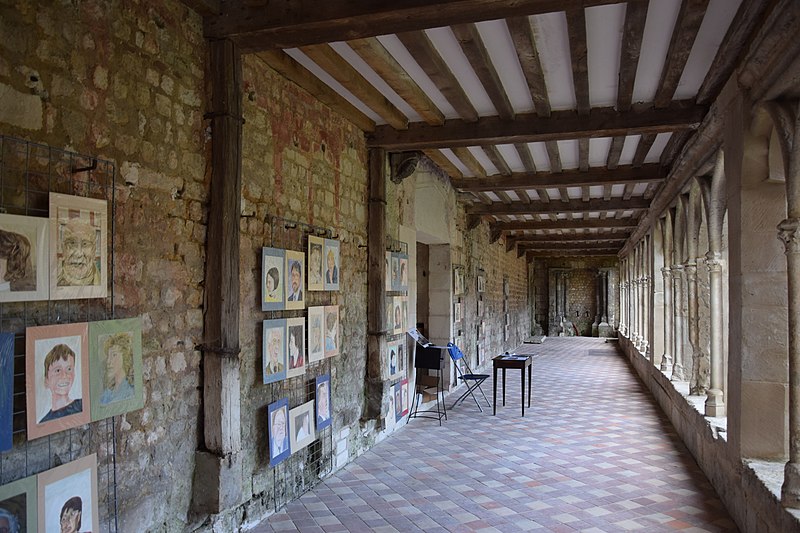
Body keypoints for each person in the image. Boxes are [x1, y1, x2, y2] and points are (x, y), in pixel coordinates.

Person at [39, 344, 82, 423]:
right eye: (58, 370)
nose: (64, 376)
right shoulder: (45, 422)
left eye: (69, 369)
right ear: (46, 380)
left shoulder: (83, 405)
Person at [57, 218, 100, 287]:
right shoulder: (52, 279)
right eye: (72, 243)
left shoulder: (103, 281)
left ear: (94, 250)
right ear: (63, 249)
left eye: (85, 244)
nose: (78, 253)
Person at [99, 332, 134, 405]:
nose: (108, 361)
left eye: (114, 355)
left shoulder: (130, 391)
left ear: (125, 357)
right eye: (108, 356)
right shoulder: (106, 394)